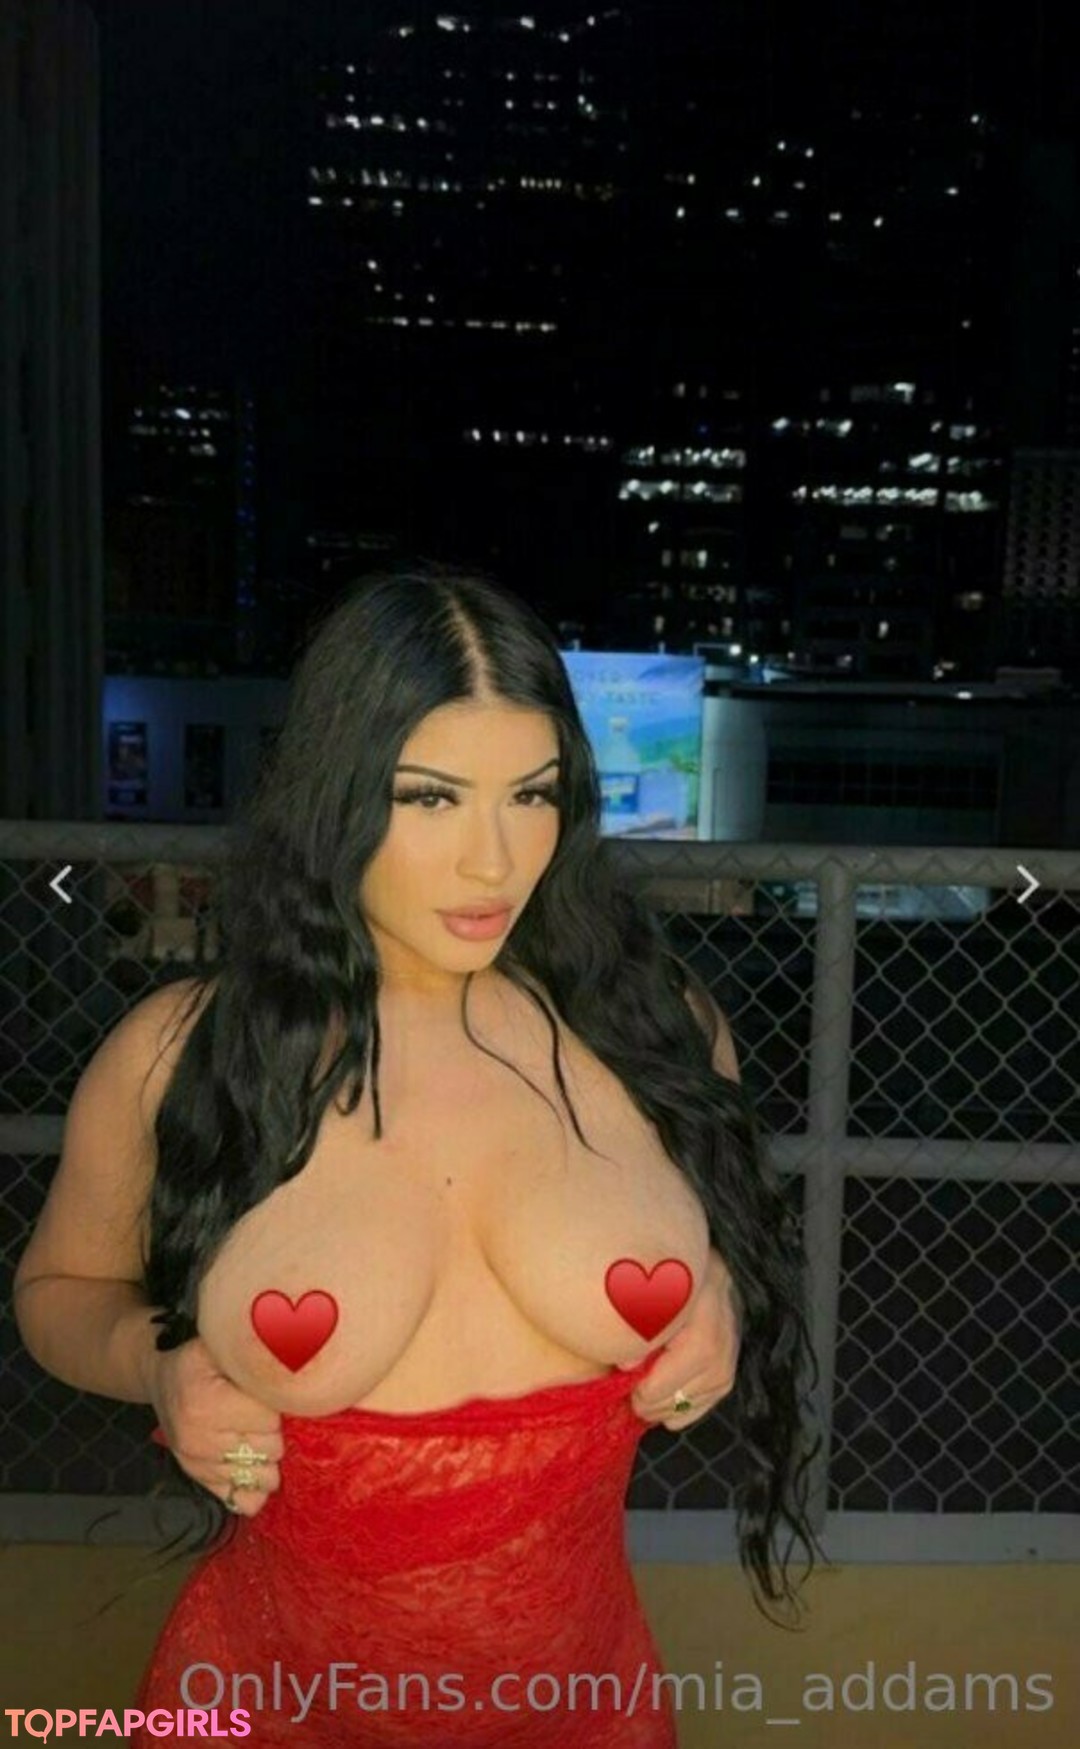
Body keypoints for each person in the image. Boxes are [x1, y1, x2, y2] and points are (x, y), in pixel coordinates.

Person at [14, 561, 821, 1747]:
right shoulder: (184, 1053)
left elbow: (730, 1237)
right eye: (430, 798)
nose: (494, 862)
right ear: (335, 793)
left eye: (531, 795)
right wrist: (158, 1362)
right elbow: (57, 1290)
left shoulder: (655, 1029)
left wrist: (720, 1295)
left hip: (583, 1708)